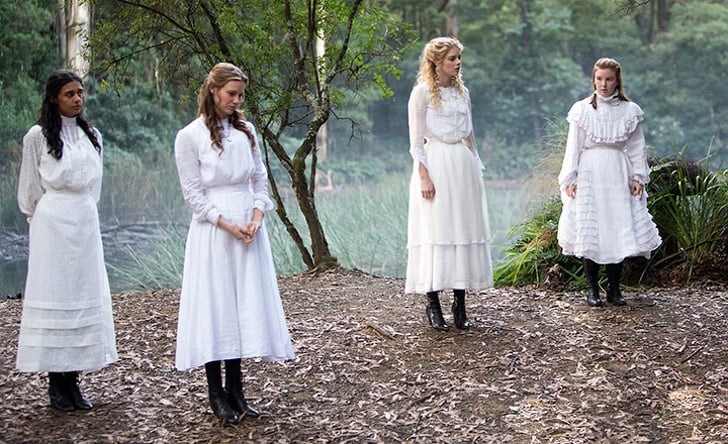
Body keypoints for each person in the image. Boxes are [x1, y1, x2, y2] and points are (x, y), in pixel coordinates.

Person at [174, 62, 295, 425]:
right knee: (217, 306)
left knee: (242, 304)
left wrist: (257, 215)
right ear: (213, 91)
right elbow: (193, 194)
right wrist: (224, 223)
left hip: (247, 225)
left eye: (241, 95)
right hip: (215, 229)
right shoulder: (190, 136)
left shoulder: (247, 131)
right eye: (231, 94)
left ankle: (237, 389)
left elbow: (259, 177)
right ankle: (216, 392)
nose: (237, 100)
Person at [16, 69, 118, 411]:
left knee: (81, 293)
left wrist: (85, 211)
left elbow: (95, 187)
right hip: (52, 222)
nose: (77, 99)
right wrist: (37, 220)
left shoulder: (92, 135)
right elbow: (30, 189)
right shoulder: (38, 136)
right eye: (69, 94)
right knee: (55, 293)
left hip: (83, 220)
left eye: (80, 92)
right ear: (54, 98)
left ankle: (73, 381)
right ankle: (56, 384)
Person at [405, 37, 494, 331]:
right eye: (452, 58)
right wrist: (424, 175)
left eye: (459, 58)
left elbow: (469, 133)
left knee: (461, 228)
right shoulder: (421, 93)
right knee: (437, 229)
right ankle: (433, 303)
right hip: (437, 163)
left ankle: (460, 303)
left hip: (462, 164)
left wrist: (476, 162)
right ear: (437, 62)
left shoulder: (461, 92)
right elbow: (416, 142)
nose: (457, 63)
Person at [557, 57, 662, 307]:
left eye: (609, 79)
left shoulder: (629, 110)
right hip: (590, 171)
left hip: (617, 171)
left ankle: (614, 290)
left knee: (616, 225)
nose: (604, 84)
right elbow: (573, 147)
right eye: (599, 79)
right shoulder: (582, 109)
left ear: (617, 81)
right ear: (594, 80)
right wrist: (571, 177)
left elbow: (637, 147)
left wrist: (638, 177)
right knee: (592, 227)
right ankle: (592, 290)